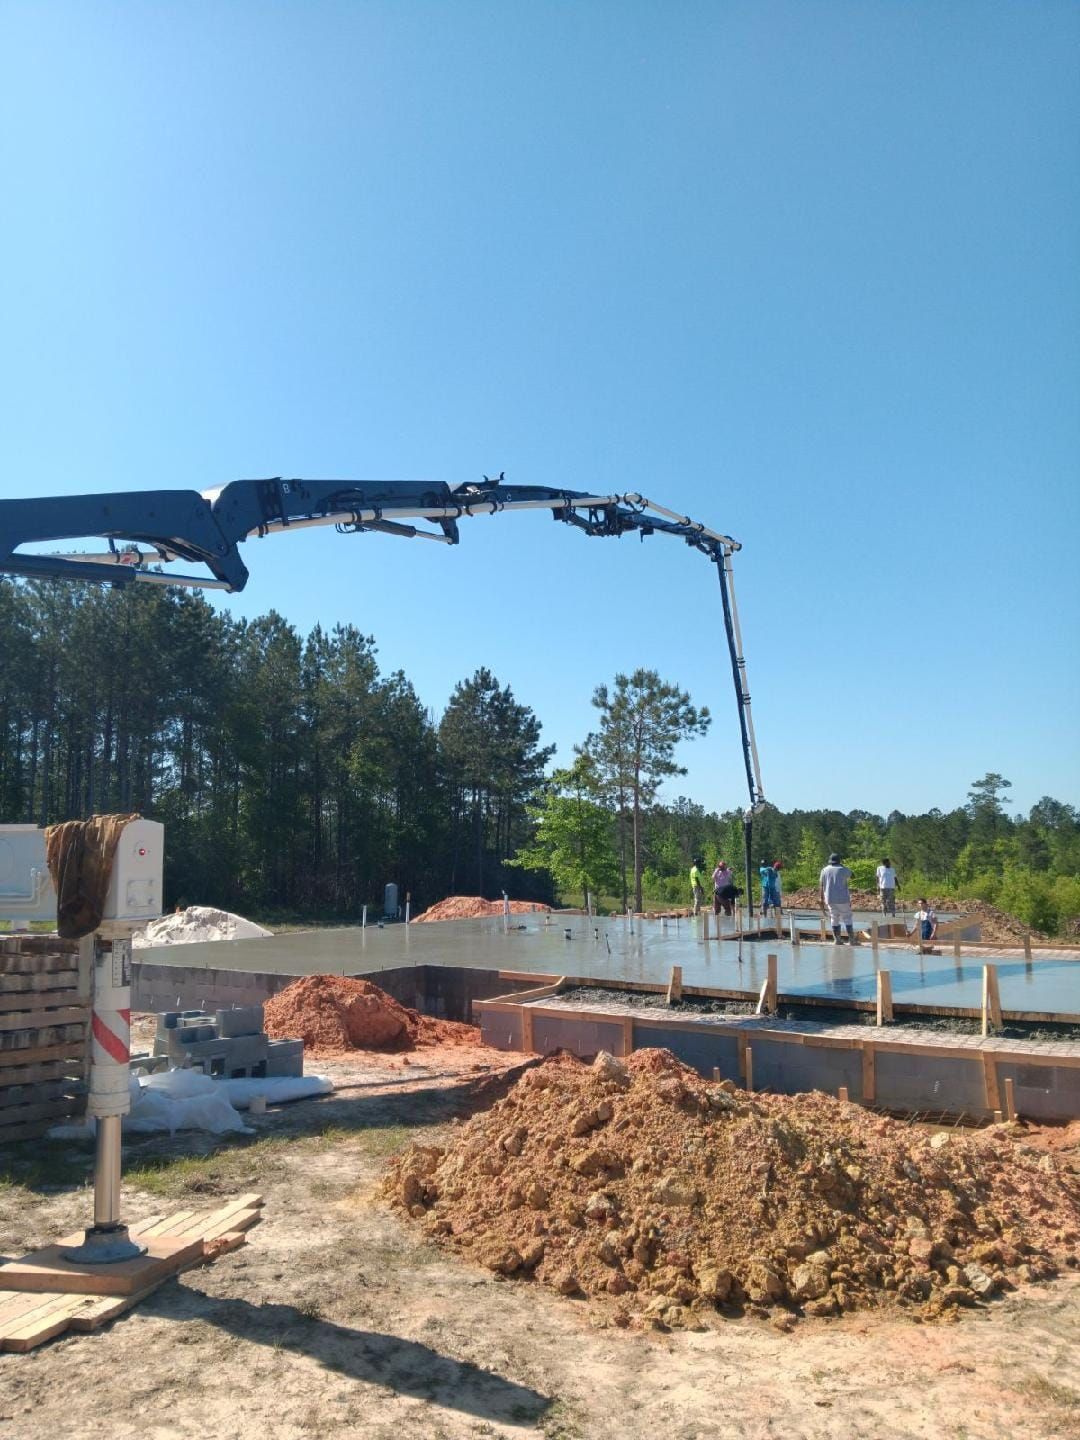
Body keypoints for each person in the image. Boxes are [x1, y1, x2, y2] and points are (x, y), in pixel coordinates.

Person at [819, 852, 856, 945]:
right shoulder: (843, 869)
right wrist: (843, 866)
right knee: (847, 917)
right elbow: (853, 875)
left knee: (834, 918)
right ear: (839, 861)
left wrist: (822, 899)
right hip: (842, 898)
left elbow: (821, 885)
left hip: (830, 898)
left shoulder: (824, 870)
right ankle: (851, 940)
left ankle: (837, 940)